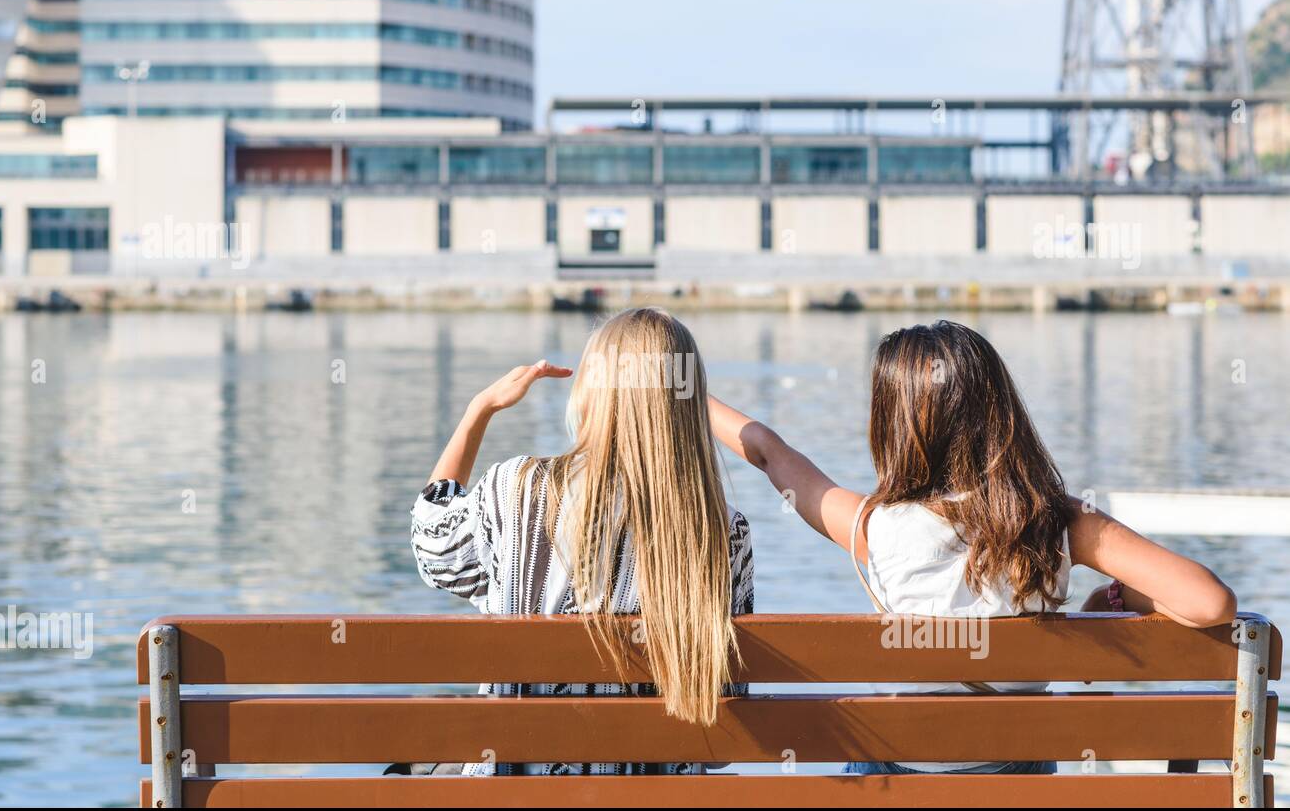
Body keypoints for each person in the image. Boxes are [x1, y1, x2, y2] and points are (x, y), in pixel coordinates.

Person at [709, 319, 1236, 775]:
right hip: (1016, 781)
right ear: (999, 412)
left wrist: (679, 393)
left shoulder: (872, 527)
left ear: (892, 424)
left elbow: (768, 454)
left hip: (896, 778)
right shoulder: (1058, 521)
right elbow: (1210, 604)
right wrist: (1111, 605)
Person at [409, 307, 754, 776]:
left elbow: (435, 554)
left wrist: (479, 410)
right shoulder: (722, 532)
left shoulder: (516, 489)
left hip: (512, 797)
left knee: (423, 757)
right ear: (687, 401)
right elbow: (726, 732)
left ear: (595, 391)